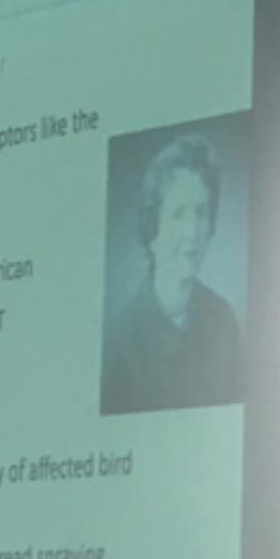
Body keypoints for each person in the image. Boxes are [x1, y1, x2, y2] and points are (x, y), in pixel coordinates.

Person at [100, 133, 245, 415]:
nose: (192, 231)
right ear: (153, 229)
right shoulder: (118, 343)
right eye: (178, 214)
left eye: (201, 213)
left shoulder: (223, 320)